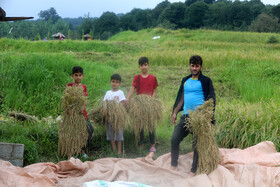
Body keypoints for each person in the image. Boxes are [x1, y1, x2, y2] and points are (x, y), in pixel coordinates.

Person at [170, 55, 215, 176]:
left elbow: (211, 99)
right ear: (189, 66)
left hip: (199, 118)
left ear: (200, 67)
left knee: (197, 144)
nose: (194, 68)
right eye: (192, 65)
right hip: (186, 116)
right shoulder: (185, 80)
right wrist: (174, 112)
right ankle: (173, 164)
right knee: (174, 139)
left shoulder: (205, 81)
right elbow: (181, 98)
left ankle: (193, 170)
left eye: (197, 66)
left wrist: (208, 116)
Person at [126, 57, 159, 158]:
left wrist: (151, 101)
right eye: (141, 65)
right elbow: (133, 88)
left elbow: (154, 91)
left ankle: (152, 144)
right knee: (140, 124)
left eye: (145, 65)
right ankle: (141, 143)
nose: (144, 67)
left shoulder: (153, 78)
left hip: (149, 104)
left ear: (148, 66)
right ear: (139, 67)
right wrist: (127, 98)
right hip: (139, 104)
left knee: (150, 124)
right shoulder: (137, 78)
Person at [67, 66, 94, 158]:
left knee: (89, 129)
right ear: (72, 76)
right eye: (76, 75)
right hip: (72, 114)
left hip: (82, 114)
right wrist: (68, 110)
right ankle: (75, 153)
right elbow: (66, 99)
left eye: (80, 75)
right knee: (74, 133)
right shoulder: (69, 86)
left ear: (83, 76)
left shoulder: (83, 87)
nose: (78, 77)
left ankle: (83, 150)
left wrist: (82, 108)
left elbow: (85, 99)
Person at [103, 74, 126, 155]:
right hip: (109, 117)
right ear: (110, 82)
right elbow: (104, 103)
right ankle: (114, 150)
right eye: (113, 81)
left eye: (117, 82)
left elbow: (123, 103)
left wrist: (117, 108)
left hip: (118, 117)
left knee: (119, 133)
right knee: (111, 133)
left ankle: (119, 151)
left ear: (119, 83)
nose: (114, 83)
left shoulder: (120, 92)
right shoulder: (108, 93)